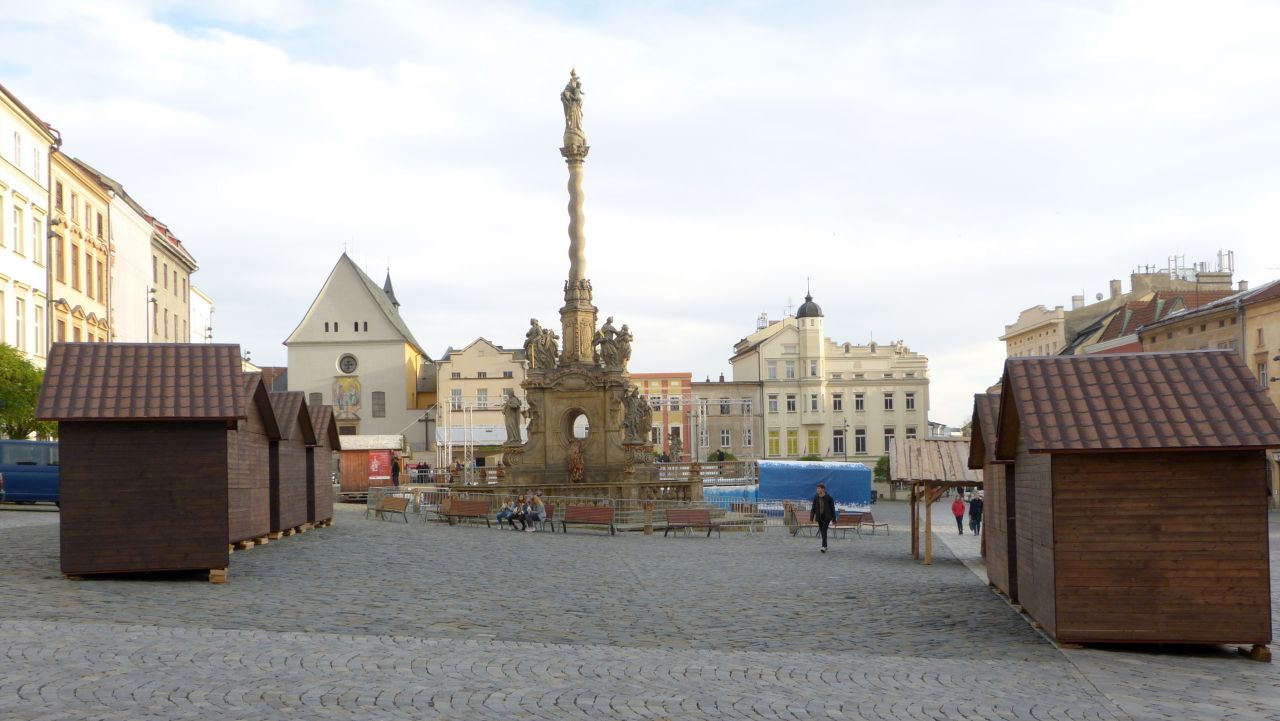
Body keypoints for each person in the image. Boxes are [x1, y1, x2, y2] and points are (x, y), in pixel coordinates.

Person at [810, 483, 836, 553]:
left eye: (819, 488)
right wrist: (811, 518)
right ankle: (825, 545)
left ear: (823, 489)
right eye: (817, 488)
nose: (817, 490)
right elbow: (813, 508)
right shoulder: (816, 497)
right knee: (822, 531)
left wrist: (834, 518)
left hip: (827, 517)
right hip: (819, 517)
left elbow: (832, 508)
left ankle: (823, 546)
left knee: (824, 530)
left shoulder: (829, 497)